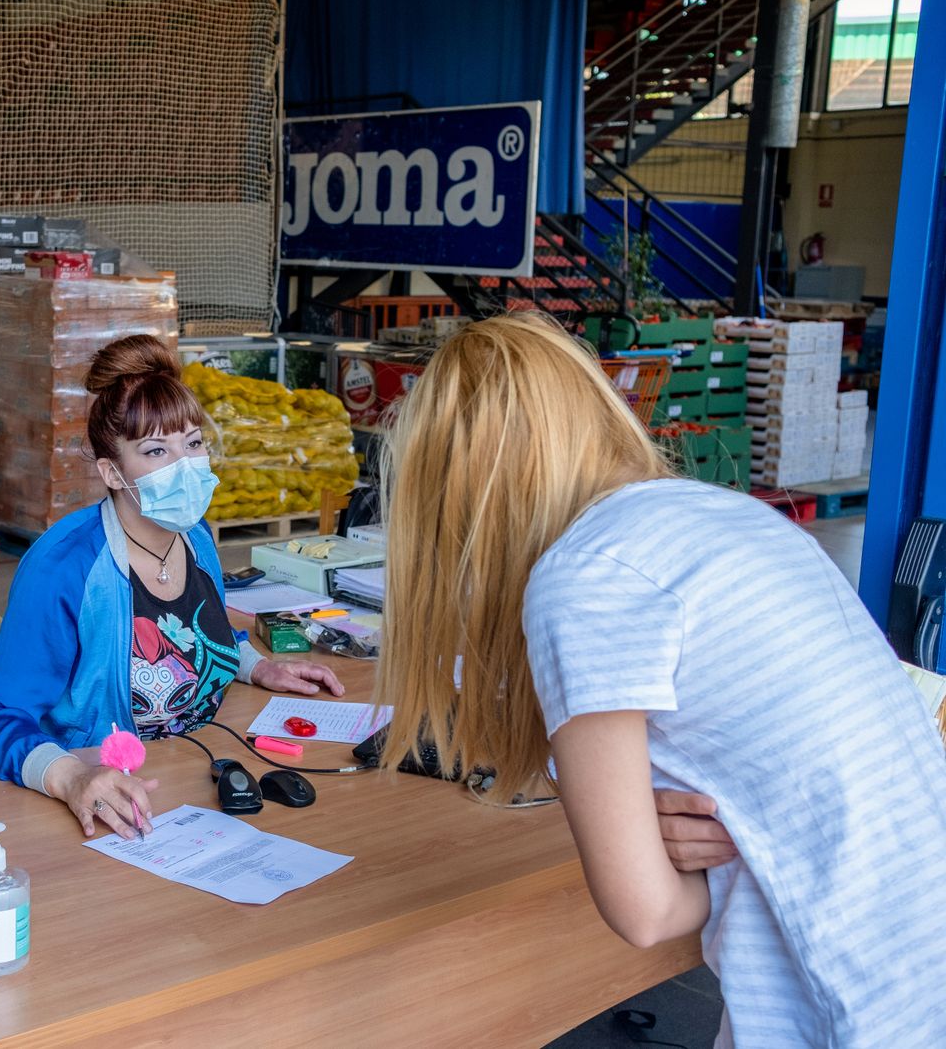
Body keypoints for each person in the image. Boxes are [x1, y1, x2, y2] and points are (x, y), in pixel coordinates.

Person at [375, 312, 946, 1047]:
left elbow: (646, 913)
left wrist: (698, 848)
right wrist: (654, 822)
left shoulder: (583, 578)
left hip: (857, 1004)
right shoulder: (733, 518)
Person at [0, 336, 345, 840]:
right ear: (112, 471)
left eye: (192, 444)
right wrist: (72, 778)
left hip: (199, 768)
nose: (185, 466)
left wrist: (259, 667)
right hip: (111, 796)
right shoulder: (65, 567)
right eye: (155, 450)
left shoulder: (195, 536)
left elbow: (199, 632)